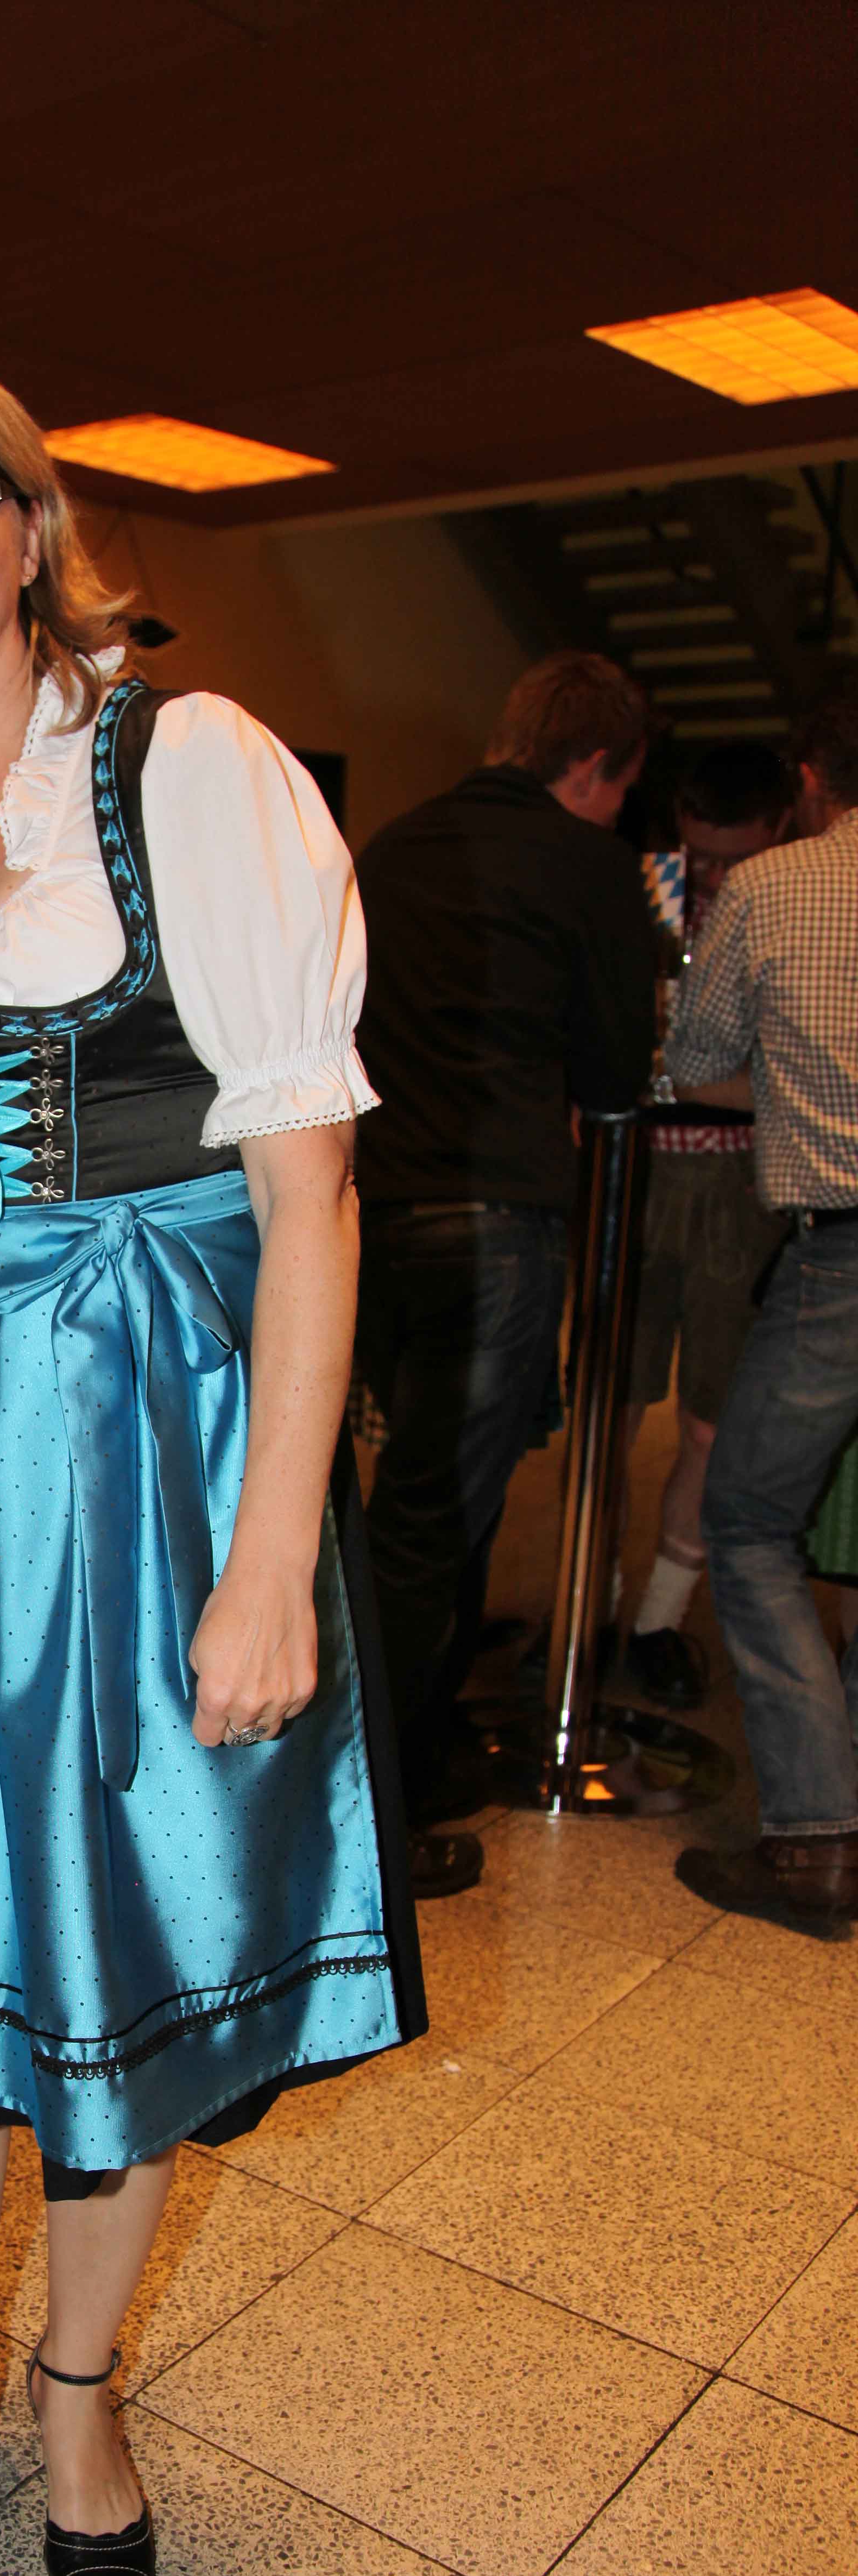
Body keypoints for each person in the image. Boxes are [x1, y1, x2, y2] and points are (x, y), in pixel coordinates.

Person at [0, 335, 421, 2576]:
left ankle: (77, 2390)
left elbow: (309, 1194)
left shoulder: (185, 766)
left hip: (142, 1437)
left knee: (130, 1924)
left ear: (30, 524)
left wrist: (271, 1567)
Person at [352, 653, 654, 1886]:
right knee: (430, 1521)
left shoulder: (390, 847)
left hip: (372, 1209)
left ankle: (411, 1760)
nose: (616, 812)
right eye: (620, 790)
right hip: (496, 1220)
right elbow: (618, 1068)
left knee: (414, 1505)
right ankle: (374, 1819)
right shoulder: (588, 865)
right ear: (594, 764)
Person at [669, 679, 858, 1929]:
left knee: (744, 1522)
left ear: (809, 780)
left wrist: (798, 1087)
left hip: (842, 1250)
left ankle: (815, 1842)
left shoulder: (777, 886)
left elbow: (692, 1060)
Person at [619, 740, 792, 1709]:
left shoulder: (788, 900)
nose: (716, 876)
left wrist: (721, 1083)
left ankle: (658, 1621)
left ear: (779, 828)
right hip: (643, 1171)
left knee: (710, 1424)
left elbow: (791, 1069)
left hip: (742, 1184)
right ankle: (594, 1608)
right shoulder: (649, 888)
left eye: (736, 856)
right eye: (702, 854)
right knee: (613, 1405)